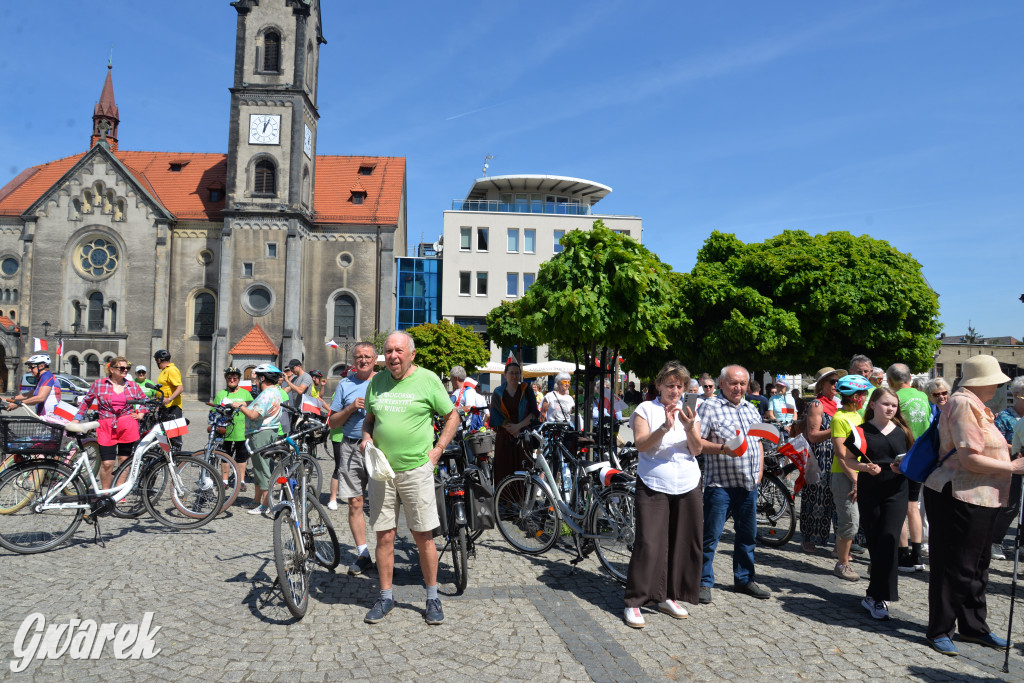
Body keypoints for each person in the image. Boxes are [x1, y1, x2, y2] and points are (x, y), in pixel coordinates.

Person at [923, 355, 1024, 655]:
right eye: (995, 380)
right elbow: (968, 458)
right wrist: (1013, 468)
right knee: (955, 565)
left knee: (977, 566)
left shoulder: (977, 406)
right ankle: (940, 629)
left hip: (981, 496)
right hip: (959, 495)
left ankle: (973, 627)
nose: (999, 385)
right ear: (982, 381)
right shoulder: (963, 404)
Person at [361, 331, 459, 626]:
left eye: (398, 351)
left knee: (423, 536)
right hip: (382, 472)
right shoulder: (376, 382)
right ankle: (386, 596)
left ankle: (432, 597)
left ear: (411, 354)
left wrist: (438, 450)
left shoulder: (428, 379)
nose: (393, 356)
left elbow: (452, 416)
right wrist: (366, 439)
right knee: (384, 535)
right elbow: (369, 419)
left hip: (417, 469)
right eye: (388, 351)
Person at [623, 361, 703, 628]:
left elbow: (697, 450)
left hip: (688, 483)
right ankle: (635, 601)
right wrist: (666, 427)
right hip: (654, 482)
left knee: (682, 541)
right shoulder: (646, 409)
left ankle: (669, 595)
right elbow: (642, 445)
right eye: (670, 385)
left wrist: (690, 427)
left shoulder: (691, 411)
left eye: (680, 386)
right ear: (659, 385)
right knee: (650, 543)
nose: (675, 390)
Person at [697, 365, 771, 603]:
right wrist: (722, 449)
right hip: (720, 485)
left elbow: (758, 442)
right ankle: (702, 582)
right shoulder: (709, 407)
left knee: (747, 536)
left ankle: (744, 579)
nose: (738, 388)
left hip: (749, 484)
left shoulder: (751, 408)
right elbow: (697, 443)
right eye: (733, 383)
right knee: (710, 536)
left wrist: (759, 474)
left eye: (742, 383)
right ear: (721, 383)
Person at [852, 387, 913, 620]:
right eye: (886, 404)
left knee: (889, 540)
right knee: (876, 542)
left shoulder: (903, 432)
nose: (890, 409)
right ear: (872, 404)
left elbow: (912, 459)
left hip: (897, 490)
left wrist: (904, 466)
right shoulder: (860, 431)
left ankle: (879, 596)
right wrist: (866, 467)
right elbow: (848, 459)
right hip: (871, 491)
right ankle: (874, 595)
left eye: (894, 405)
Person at [327, 342, 376, 575]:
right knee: (355, 503)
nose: (363, 360)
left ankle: (386, 557)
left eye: (367, 356)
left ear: (375, 359)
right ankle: (363, 553)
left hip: (379, 449)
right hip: (350, 447)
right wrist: (349, 408)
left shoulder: (384, 382)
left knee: (384, 504)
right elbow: (333, 422)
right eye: (359, 357)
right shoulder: (345, 385)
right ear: (353, 360)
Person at [70, 356, 146, 490]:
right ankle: (106, 492)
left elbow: (144, 400)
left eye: (127, 368)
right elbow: (86, 401)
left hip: (127, 425)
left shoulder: (132, 385)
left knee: (124, 460)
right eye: (121, 368)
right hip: (106, 426)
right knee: (107, 463)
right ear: (111, 369)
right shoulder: (99, 384)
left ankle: (119, 490)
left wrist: (141, 414)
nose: (125, 370)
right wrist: (77, 419)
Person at [886, 363, 931, 572]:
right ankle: (917, 555)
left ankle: (903, 555)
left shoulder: (895, 398)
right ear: (910, 378)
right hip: (920, 456)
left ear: (890, 380)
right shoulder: (922, 396)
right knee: (914, 506)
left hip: (901, 456)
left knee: (900, 507)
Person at [830, 374, 873, 581]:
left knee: (861, 520)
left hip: (859, 472)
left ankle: (850, 557)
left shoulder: (859, 416)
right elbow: (840, 454)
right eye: (863, 394)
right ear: (854, 396)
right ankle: (842, 564)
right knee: (850, 521)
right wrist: (855, 479)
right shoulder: (839, 419)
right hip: (843, 475)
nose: (865, 397)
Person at [800, 367, 844, 553]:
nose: (836, 385)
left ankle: (839, 544)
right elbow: (813, 435)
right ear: (821, 385)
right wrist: (837, 429)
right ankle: (809, 538)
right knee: (816, 498)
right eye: (832, 382)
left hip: (838, 454)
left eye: (837, 382)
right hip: (821, 456)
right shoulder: (817, 405)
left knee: (837, 499)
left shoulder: (840, 404)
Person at [232, 364, 284, 516]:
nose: (254, 382)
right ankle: (256, 500)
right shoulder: (274, 391)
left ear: (263, 378)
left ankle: (265, 505)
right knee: (258, 469)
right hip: (262, 432)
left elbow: (254, 415)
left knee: (263, 469)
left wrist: (239, 406)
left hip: (261, 433)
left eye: (256, 378)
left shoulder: (267, 394)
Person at [489, 358, 540, 487]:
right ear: (505, 375)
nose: (514, 376)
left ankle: (523, 502)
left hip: (523, 436)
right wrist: (510, 428)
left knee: (523, 470)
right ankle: (505, 503)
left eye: (517, 373)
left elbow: (533, 413)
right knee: (504, 470)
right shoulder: (498, 392)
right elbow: (495, 416)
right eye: (511, 373)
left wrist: (518, 427)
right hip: (504, 437)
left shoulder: (526, 390)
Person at [989, 376, 1024, 560]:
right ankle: (995, 541)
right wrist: (1016, 449)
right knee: (1011, 506)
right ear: (1017, 395)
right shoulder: (1004, 417)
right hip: (1012, 465)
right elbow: (998, 442)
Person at [211, 367, 252, 493]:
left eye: (235, 378)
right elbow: (213, 412)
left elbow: (252, 409)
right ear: (226, 379)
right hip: (225, 431)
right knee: (225, 456)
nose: (232, 380)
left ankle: (241, 481)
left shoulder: (246, 393)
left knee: (241, 457)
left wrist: (244, 405)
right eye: (229, 378)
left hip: (241, 430)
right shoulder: (221, 394)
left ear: (239, 379)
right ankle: (224, 481)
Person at [154, 349, 184, 448]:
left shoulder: (172, 369)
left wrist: (169, 399)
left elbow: (180, 388)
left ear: (158, 360)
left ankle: (177, 460)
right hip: (165, 408)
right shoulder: (164, 371)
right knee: (165, 438)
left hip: (173, 408)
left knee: (175, 439)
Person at [449, 365, 488, 430]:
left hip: (463, 430)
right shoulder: (456, 391)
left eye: (451, 377)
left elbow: (469, 407)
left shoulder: (469, 390)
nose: (450, 380)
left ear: (456, 378)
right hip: (452, 427)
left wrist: (454, 411)